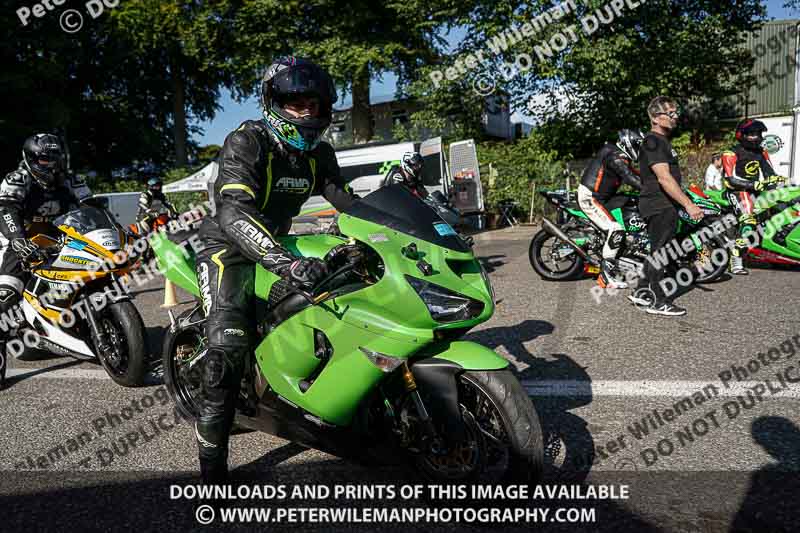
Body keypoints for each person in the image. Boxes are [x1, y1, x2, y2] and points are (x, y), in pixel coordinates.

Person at [193, 57, 357, 484]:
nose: (306, 112)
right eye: (295, 103)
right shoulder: (247, 141)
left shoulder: (320, 152)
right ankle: (212, 467)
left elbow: (347, 201)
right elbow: (233, 211)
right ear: (273, 102)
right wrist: (286, 263)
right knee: (226, 350)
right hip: (227, 247)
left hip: (280, 245)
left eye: (314, 104)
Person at [0, 133, 92, 388]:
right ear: (30, 159)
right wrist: (18, 239)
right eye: (44, 159)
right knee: (5, 296)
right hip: (22, 242)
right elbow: (6, 209)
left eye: (55, 158)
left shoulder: (72, 179)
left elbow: (91, 206)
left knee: (101, 272)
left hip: (62, 239)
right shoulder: (17, 179)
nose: (51, 164)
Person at [630, 96, 703, 317]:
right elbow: (664, 178)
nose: (675, 117)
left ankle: (642, 292)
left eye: (675, 113)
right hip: (658, 204)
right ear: (655, 117)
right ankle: (657, 301)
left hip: (661, 204)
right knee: (661, 254)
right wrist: (689, 205)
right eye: (670, 113)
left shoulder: (660, 141)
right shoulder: (653, 141)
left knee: (658, 251)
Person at [578, 129, 644, 289]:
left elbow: (635, 174)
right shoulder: (615, 156)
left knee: (632, 202)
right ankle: (606, 276)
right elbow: (630, 178)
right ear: (628, 144)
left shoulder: (620, 156)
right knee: (616, 229)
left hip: (603, 197)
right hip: (591, 197)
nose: (638, 150)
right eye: (637, 146)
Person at [720, 119, 785, 275]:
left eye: (758, 134)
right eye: (751, 134)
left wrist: (779, 181)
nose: (756, 137)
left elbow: (770, 174)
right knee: (748, 220)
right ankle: (736, 259)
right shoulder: (731, 153)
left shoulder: (761, 152)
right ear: (741, 135)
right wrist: (753, 185)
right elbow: (729, 179)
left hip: (755, 190)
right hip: (737, 191)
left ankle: (777, 253)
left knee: (780, 209)